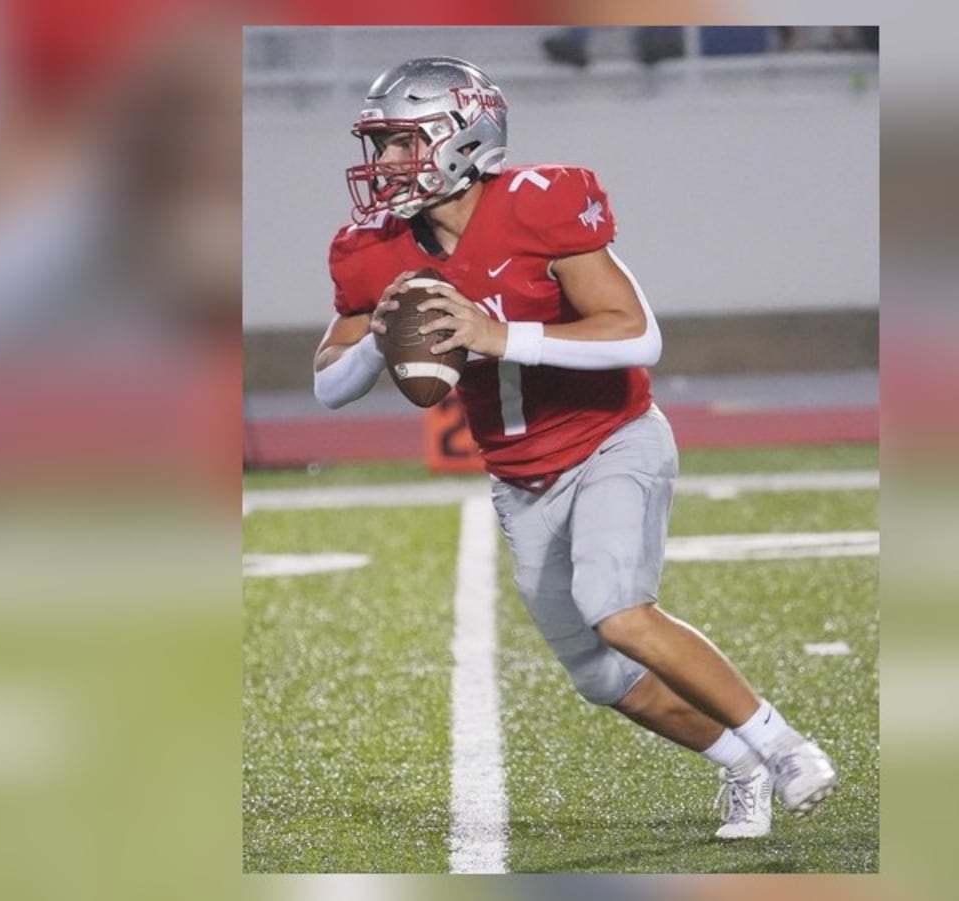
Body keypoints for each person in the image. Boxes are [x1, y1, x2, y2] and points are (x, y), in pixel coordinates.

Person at [312, 56, 838, 841]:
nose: (384, 163)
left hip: (610, 442)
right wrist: (376, 341)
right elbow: (328, 382)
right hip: (519, 478)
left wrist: (502, 333)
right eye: (380, 144)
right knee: (602, 677)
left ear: (463, 138)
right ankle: (741, 764)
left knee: (618, 609)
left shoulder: (539, 203)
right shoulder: (373, 248)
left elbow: (637, 333)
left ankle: (785, 745)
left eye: (400, 143)